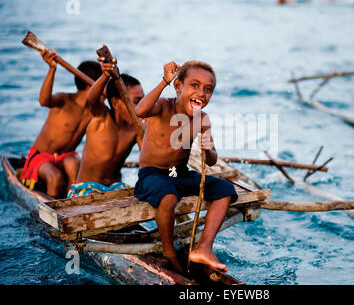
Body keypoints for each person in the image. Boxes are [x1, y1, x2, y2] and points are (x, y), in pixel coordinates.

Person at [133, 60, 238, 273]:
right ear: (179, 86)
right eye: (195, 85)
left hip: (180, 174)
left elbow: (211, 160)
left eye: (208, 90)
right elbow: (140, 110)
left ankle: (204, 248)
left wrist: (208, 149)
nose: (201, 93)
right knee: (168, 196)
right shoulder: (163, 106)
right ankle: (168, 250)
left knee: (226, 190)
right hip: (152, 174)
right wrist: (165, 80)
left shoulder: (202, 119)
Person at [20, 49, 102, 198]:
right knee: (55, 177)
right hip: (41, 157)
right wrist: (52, 69)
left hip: (67, 156)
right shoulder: (64, 100)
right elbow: (44, 101)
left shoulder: (95, 110)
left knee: (75, 165)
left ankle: (72, 204)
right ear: (91, 87)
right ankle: (49, 217)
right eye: (102, 85)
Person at [67, 58, 144, 198]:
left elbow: (146, 158)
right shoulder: (102, 117)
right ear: (116, 103)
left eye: (143, 101)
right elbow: (92, 99)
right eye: (137, 101)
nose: (142, 107)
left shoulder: (136, 129)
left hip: (116, 188)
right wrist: (105, 75)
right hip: (86, 188)